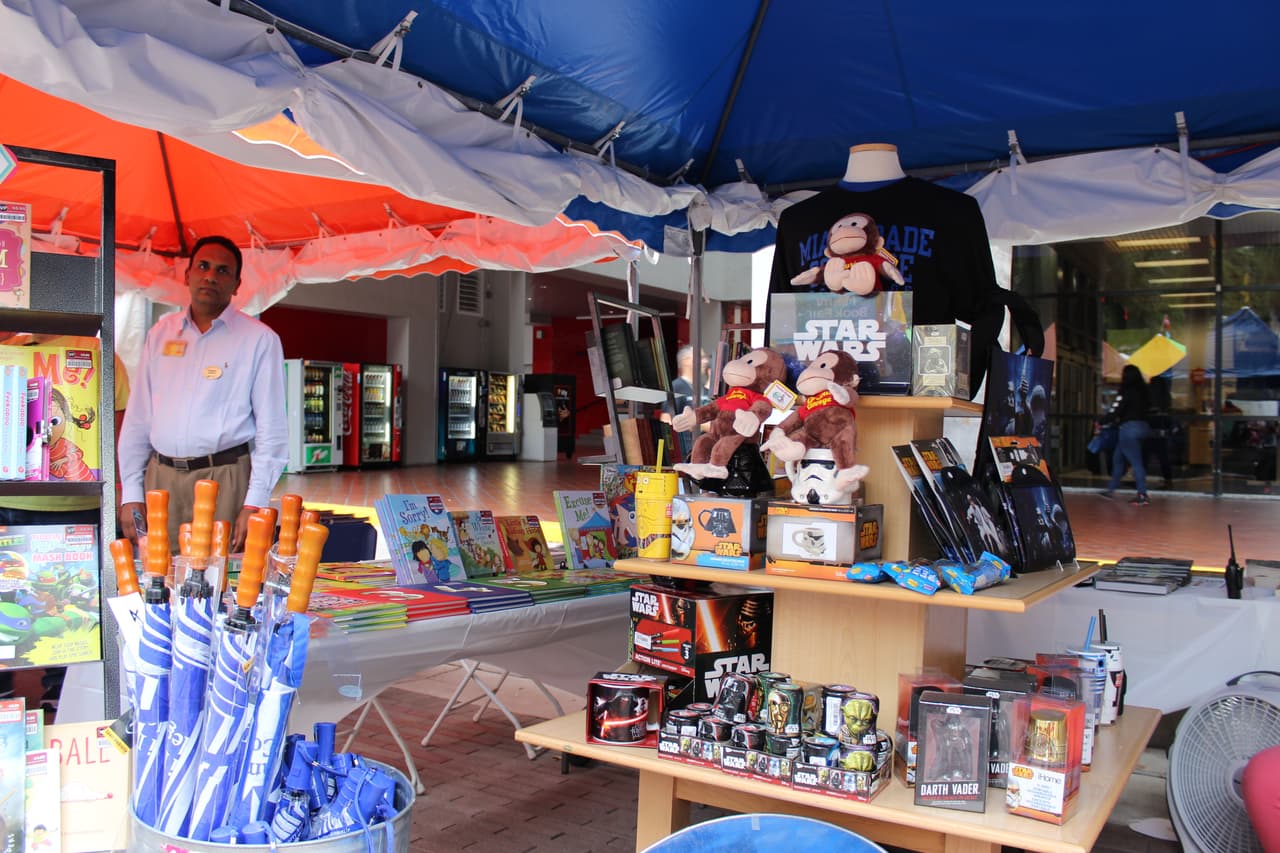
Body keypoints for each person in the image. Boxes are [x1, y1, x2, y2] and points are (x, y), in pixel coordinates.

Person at [118, 236, 288, 552]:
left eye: (223, 271)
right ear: (188, 274)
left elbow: (272, 432)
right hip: (161, 480)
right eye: (203, 266)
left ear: (237, 284)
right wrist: (130, 492)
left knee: (217, 578)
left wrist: (255, 503)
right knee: (159, 577)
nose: (210, 276)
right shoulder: (160, 334)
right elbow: (138, 418)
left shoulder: (259, 340)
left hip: (225, 479)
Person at [1101, 364, 1152, 505]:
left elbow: (1116, 411)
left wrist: (1102, 421)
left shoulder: (1125, 392)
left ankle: (1142, 494)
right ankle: (1111, 490)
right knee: (1118, 458)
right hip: (1143, 427)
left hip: (1128, 429)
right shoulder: (1144, 391)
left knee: (1136, 462)